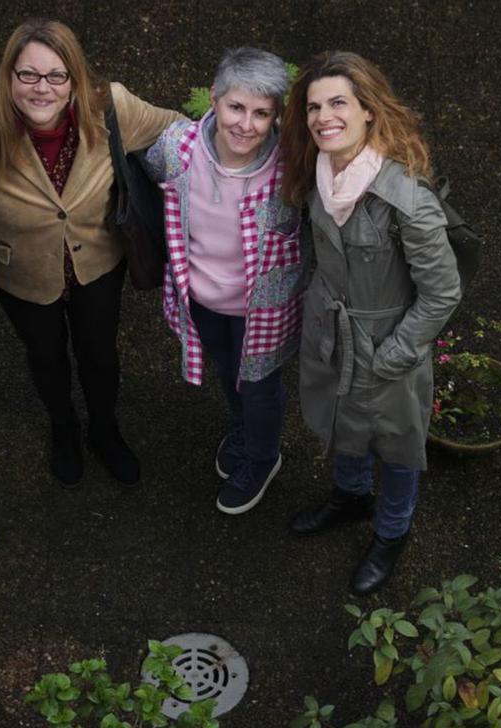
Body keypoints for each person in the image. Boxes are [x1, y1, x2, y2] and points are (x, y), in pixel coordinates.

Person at [0, 19, 182, 489]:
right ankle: (64, 429)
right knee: (46, 355)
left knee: (100, 354)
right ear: (7, 77)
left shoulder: (110, 107)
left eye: (57, 76)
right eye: (27, 75)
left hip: (97, 260)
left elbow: (177, 130)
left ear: (75, 77)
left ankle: (104, 429)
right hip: (22, 271)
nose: (42, 89)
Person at [279, 52, 461, 594]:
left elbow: (443, 291)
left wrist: (395, 355)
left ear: (368, 112)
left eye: (338, 103)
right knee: (342, 423)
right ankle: (352, 496)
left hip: (386, 345)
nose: (322, 116)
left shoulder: (405, 199)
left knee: (398, 445)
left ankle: (392, 531)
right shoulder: (318, 172)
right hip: (331, 333)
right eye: (314, 106)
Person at [141, 48, 303, 515]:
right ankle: (242, 428)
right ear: (214, 98)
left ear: (275, 117)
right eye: (236, 107)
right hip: (204, 301)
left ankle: (262, 457)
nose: (245, 125)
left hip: (265, 311)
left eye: (261, 114)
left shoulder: (292, 168)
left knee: (261, 388)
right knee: (228, 374)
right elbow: (148, 173)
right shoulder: (177, 148)